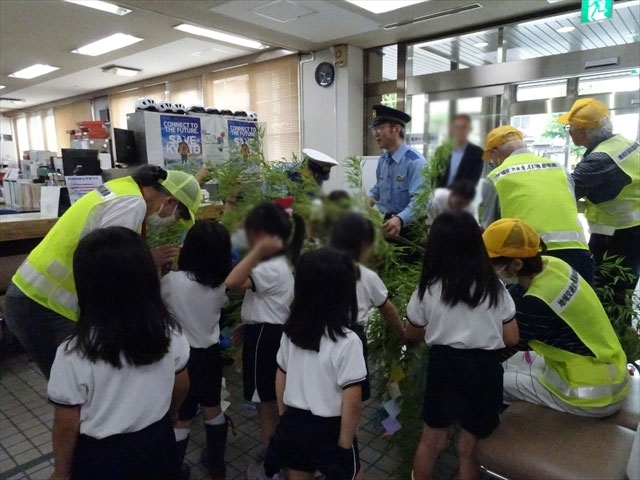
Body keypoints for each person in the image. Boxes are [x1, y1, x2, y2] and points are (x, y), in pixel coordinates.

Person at [4, 165, 201, 378]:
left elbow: (106, 250)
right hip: (43, 304)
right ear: (170, 201)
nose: (173, 221)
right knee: (76, 387)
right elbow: (109, 267)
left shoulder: (123, 188)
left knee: (79, 386)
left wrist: (144, 257)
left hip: (33, 296)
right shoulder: (131, 204)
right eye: (178, 215)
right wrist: (145, 263)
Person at [47, 227, 190, 480]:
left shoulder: (74, 352)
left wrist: (61, 471)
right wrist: (173, 413)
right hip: (158, 443)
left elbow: (66, 423)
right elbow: (181, 384)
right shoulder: (169, 332)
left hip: (103, 458)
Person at [404, 212, 519, 480]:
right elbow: (512, 337)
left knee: (431, 442)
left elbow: (412, 332)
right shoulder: (495, 288)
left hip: (444, 367)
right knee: (468, 449)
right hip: (483, 370)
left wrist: (439, 328)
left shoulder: (428, 289)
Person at [483, 218, 630, 417]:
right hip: (610, 371)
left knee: (490, 379)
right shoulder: (555, 265)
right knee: (514, 362)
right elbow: (516, 294)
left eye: (491, 264)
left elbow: (496, 353)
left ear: (516, 264)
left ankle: (498, 432)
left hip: (593, 394)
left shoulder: (537, 303)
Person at [265, 248, 367, 480]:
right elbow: (352, 399)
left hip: (295, 423)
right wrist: (344, 444)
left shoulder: (291, 332)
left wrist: (284, 416)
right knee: (349, 473)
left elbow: (281, 374)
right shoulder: (347, 341)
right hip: (331, 427)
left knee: (298, 474)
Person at [225, 202, 305, 479]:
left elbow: (232, 280)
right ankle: (273, 452)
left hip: (265, 340)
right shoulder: (277, 262)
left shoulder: (270, 264)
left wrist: (258, 250)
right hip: (266, 334)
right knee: (270, 401)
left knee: (266, 405)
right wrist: (247, 325)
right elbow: (264, 302)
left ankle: (272, 467)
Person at [161, 220, 232, 480]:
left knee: (182, 417)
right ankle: (217, 465)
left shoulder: (171, 281)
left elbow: (160, 303)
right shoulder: (219, 284)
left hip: (183, 361)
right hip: (210, 355)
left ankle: (175, 469)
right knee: (213, 407)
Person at [481, 126, 594, 284]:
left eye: (491, 158)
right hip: (577, 252)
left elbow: (491, 230)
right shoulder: (559, 169)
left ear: (494, 153)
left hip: (530, 259)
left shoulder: (496, 177)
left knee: (528, 307)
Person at [557, 98, 640, 307]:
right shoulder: (624, 143)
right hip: (631, 231)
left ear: (582, 131)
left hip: (616, 236)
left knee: (609, 292)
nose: (568, 131)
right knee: (623, 289)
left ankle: (612, 334)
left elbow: (565, 191)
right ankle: (621, 331)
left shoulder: (601, 160)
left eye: (570, 127)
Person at [330, 213, 406, 400]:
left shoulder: (324, 267)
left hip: (324, 331)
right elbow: (387, 308)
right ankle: (349, 426)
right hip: (353, 336)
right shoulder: (367, 275)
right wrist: (402, 332)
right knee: (353, 388)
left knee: (330, 385)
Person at [368, 104, 427, 237]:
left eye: (380, 128)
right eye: (374, 129)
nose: (376, 134)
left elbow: (420, 202)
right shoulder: (383, 160)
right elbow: (379, 186)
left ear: (396, 129)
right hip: (386, 224)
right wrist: (369, 198)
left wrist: (400, 219)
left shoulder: (415, 162)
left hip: (409, 228)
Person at [435, 114, 484, 188]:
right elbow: (435, 177)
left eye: (463, 127)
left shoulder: (477, 153)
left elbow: (473, 181)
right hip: (440, 195)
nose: (460, 131)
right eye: (457, 127)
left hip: (462, 196)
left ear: (470, 129)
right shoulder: (441, 151)